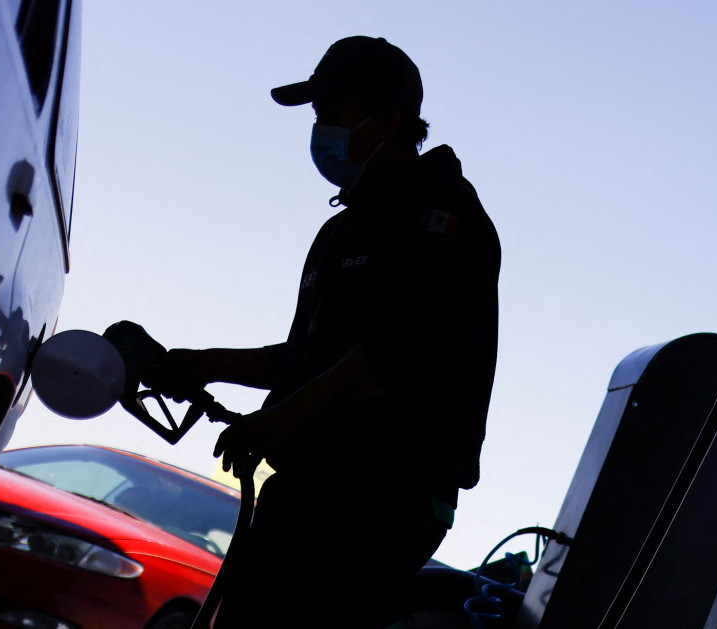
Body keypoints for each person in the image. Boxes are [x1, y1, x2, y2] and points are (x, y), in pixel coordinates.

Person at [165, 36, 500, 627]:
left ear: (389, 119)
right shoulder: (346, 230)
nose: (320, 132)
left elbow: (385, 359)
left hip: (380, 499)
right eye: (317, 118)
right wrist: (201, 362)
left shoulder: (442, 219)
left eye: (333, 115)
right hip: (310, 483)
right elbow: (308, 360)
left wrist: (277, 421)